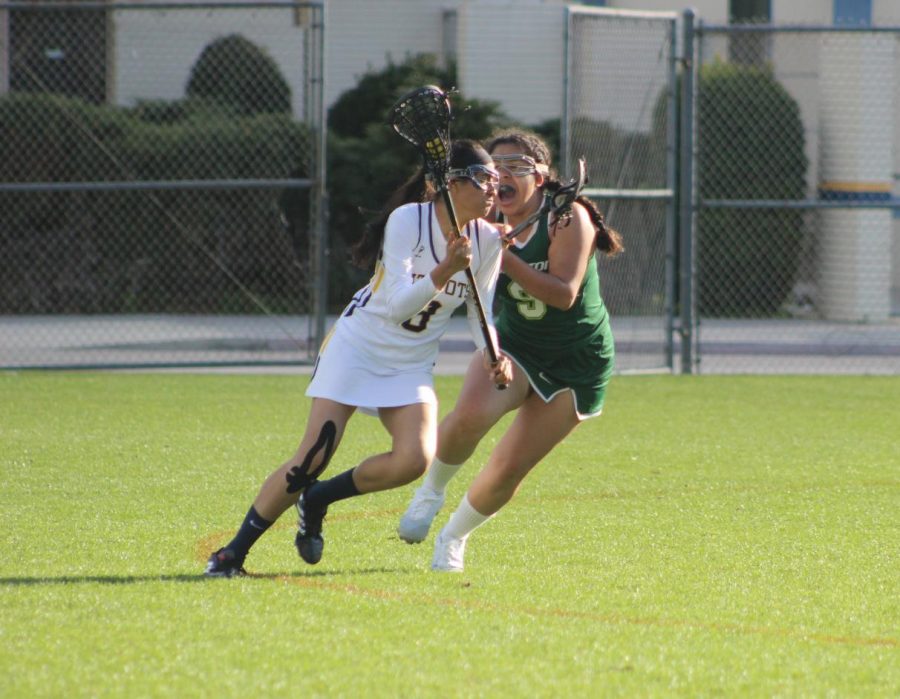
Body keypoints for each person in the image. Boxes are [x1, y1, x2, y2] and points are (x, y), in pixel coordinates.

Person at [205, 139, 512, 576]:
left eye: (495, 181)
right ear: (448, 183)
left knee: (414, 460)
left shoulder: (487, 242)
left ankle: (318, 499)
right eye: (483, 179)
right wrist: (445, 269)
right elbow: (396, 306)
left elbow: (481, 311)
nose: (492, 190)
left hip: (410, 363)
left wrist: (493, 354)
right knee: (312, 456)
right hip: (358, 346)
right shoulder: (409, 220)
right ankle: (230, 555)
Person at [397, 128, 623, 572]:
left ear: (540, 178)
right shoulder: (481, 223)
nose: (502, 177)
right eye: (493, 169)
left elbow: (563, 294)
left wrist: (505, 256)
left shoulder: (566, 217)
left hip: (578, 363)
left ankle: (453, 537)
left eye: (517, 167)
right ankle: (431, 492)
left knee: (507, 468)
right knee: (468, 418)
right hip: (516, 344)